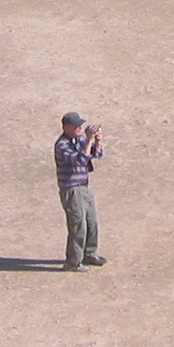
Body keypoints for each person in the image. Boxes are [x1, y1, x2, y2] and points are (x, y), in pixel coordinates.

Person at [53, 111, 104, 270]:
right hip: (71, 189)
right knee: (78, 224)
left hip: (84, 186)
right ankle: (73, 262)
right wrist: (89, 140)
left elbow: (97, 155)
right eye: (76, 126)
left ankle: (89, 253)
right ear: (67, 127)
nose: (80, 128)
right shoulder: (62, 145)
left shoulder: (79, 139)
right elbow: (81, 160)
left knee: (91, 222)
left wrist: (97, 142)